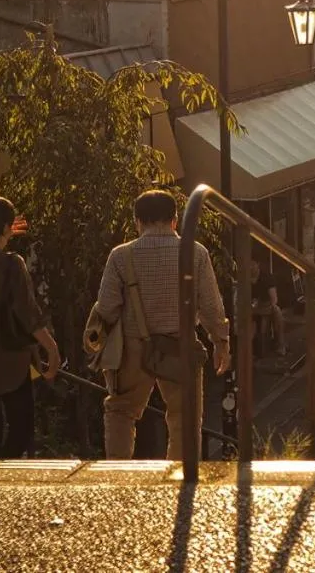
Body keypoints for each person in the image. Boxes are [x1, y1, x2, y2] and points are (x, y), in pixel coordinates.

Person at [94, 190, 230, 461]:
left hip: (133, 346)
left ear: (137, 221)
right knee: (184, 416)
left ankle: (118, 471)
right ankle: (180, 475)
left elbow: (107, 307)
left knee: (121, 411)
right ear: (175, 220)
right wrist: (221, 341)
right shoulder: (196, 252)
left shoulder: (121, 256)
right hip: (179, 344)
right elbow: (211, 305)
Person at [0, 197, 61, 459]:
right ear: (6, 228)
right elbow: (28, 314)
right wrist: (51, 349)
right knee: (22, 427)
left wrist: (0, 229)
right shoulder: (11, 264)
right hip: (12, 361)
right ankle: (3, 477)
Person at [250, 257, 286, 358]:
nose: (250, 267)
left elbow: (274, 299)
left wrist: (268, 307)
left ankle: (281, 345)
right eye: (248, 264)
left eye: (252, 264)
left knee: (277, 311)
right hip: (250, 307)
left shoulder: (266, 277)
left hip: (266, 306)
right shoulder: (243, 278)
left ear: (258, 264)